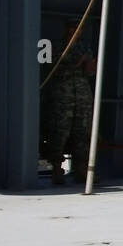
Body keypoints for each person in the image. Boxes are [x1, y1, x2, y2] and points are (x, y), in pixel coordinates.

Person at [43, 21, 96, 184]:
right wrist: (79, 62)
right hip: (62, 96)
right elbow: (53, 68)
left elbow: (90, 73)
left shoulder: (85, 47)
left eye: (78, 29)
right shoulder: (55, 46)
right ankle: (57, 169)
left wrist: (89, 65)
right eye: (72, 28)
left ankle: (81, 169)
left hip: (82, 96)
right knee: (60, 131)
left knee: (82, 132)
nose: (74, 32)